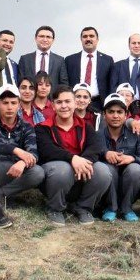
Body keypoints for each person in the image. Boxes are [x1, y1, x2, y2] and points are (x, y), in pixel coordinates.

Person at [36, 86, 112, 225]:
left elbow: (95, 147)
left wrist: (83, 163)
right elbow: (47, 151)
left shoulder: (85, 126)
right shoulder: (42, 127)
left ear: (75, 103)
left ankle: (83, 207)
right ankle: (55, 208)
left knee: (103, 171)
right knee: (63, 169)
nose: (64, 106)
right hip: (56, 176)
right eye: (59, 102)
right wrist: (73, 159)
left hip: (80, 176)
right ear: (53, 106)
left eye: (67, 101)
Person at [0, 83, 46, 228]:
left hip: (13, 170)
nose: (9, 107)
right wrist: (16, 150)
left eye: (13, 102)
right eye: (5, 103)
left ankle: (1, 194)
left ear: (19, 105)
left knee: (38, 172)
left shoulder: (26, 126)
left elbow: (33, 153)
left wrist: (22, 163)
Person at [98, 93, 140, 222]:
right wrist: (105, 154)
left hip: (129, 184)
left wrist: (133, 158)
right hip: (108, 185)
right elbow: (91, 160)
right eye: (111, 112)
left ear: (126, 114)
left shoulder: (136, 135)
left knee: (135, 169)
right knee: (107, 169)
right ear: (104, 114)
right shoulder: (97, 136)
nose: (115, 116)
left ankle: (127, 208)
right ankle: (111, 208)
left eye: (119, 112)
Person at [64, 27, 114, 111]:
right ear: (81, 39)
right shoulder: (70, 60)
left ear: (97, 39)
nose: (88, 39)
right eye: (85, 36)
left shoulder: (107, 60)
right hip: (75, 104)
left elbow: (111, 84)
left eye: (91, 36)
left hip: (99, 104)